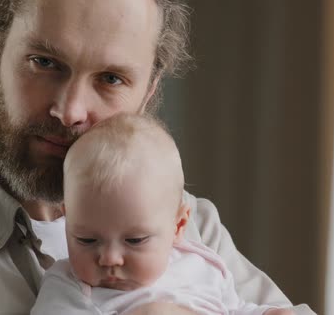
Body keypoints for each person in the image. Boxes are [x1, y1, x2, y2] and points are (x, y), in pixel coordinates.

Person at [0, 0, 314, 314]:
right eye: (44, 62)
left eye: (111, 79)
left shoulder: (193, 225)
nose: (69, 110)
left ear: (149, 92)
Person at [30, 113, 311, 315]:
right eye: (87, 240)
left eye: (135, 240)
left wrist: (266, 313)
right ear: (67, 219)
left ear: (179, 225)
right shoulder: (67, 285)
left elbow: (235, 307)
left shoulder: (201, 263)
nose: (109, 259)